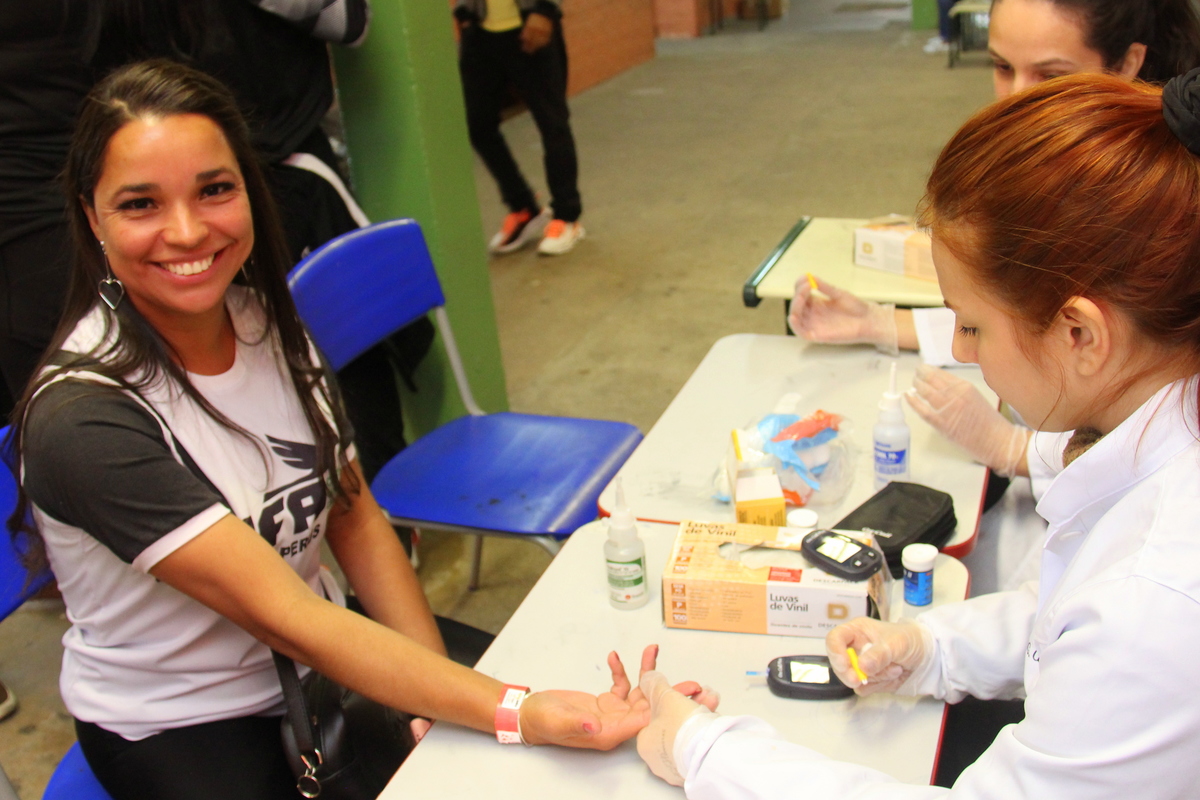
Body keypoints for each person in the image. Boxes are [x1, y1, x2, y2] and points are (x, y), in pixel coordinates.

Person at [7, 60, 711, 800]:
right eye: (140, 204)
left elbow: (355, 517)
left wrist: (433, 703)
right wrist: (513, 711)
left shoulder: (262, 321)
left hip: (323, 659)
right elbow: (287, 616)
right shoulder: (84, 419)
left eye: (214, 189)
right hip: (188, 719)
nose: (186, 231)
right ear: (92, 217)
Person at [635, 70, 1200, 798]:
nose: (958, 349)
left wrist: (705, 751)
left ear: (1081, 335)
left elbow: (1115, 625)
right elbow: (1066, 616)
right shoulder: (1155, 428)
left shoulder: (1156, 598)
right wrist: (930, 648)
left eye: (972, 325)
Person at [788, 0, 1200, 593]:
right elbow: (1017, 306)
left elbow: (1021, 309)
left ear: (1129, 62)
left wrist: (1014, 447)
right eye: (1002, 67)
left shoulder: (1148, 582)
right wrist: (882, 323)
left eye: (1051, 74)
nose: (1015, 95)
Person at [454, 0, 586, 255]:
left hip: (530, 23)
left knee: (552, 123)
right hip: (480, 31)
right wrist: (464, 14)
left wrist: (545, 9)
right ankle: (523, 207)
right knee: (477, 124)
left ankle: (567, 216)